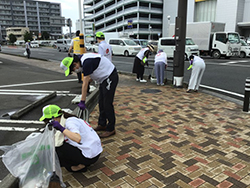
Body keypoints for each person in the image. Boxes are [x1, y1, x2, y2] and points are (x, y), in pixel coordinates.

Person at [60, 53, 119, 138]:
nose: (74, 71)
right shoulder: (83, 61)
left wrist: (83, 101)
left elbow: (85, 82)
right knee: (101, 102)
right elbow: (90, 78)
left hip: (110, 76)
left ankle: (111, 128)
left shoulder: (86, 62)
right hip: (103, 79)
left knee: (107, 103)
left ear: (75, 64)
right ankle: (102, 124)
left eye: (73, 69)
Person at [39, 104, 103, 172]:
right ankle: (82, 164)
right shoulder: (69, 118)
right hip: (94, 152)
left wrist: (61, 129)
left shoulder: (70, 122)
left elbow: (77, 138)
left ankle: (83, 164)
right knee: (67, 165)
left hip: (90, 156)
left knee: (58, 148)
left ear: (54, 118)